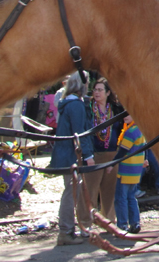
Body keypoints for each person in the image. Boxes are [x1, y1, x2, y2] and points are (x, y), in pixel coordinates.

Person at [49, 72, 95, 246]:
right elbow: (80, 133)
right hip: (71, 156)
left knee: (72, 191)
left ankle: (71, 229)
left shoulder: (70, 102)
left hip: (67, 154)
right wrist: (88, 155)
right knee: (71, 192)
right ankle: (66, 231)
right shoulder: (75, 104)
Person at [80, 78, 123, 224]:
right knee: (90, 190)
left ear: (108, 92)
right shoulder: (88, 108)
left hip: (112, 154)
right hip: (94, 155)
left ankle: (109, 222)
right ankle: (85, 222)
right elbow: (84, 131)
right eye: (95, 90)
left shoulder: (116, 108)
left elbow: (122, 130)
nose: (97, 93)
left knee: (109, 191)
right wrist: (87, 155)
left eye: (100, 90)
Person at [113, 115, 146, 234]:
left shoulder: (130, 132)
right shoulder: (140, 130)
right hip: (136, 170)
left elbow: (122, 151)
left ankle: (122, 225)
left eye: (128, 114)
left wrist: (111, 164)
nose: (124, 117)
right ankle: (135, 222)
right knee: (131, 197)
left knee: (121, 198)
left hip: (126, 170)